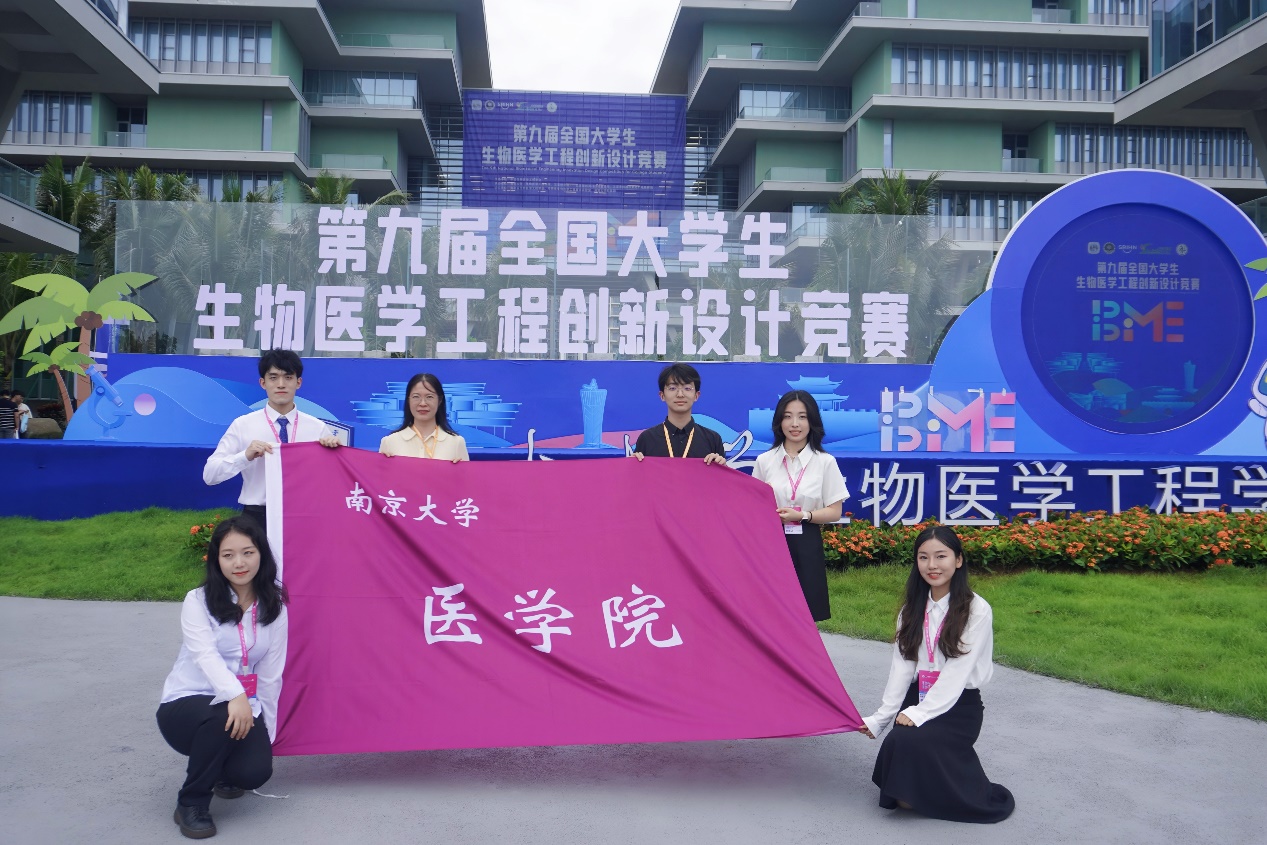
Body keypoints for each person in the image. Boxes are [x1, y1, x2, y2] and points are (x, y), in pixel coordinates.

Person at [858, 525, 1015, 824]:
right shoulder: (911, 609)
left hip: (959, 704)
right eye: (923, 557)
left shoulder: (976, 609)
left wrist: (921, 713)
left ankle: (962, 791)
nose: (932, 565)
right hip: (918, 697)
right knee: (899, 755)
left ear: (958, 560)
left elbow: (958, 672)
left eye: (941, 556)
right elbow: (902, 667)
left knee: (913, 745)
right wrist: (881, 718)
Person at [157, 516, 289, 839]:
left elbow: (271, 674)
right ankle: (191, 802)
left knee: (254, 772)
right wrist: (236, 695)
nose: (239, 563)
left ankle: (218, 767)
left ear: (261, 554)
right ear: (217, 560)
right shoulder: (198, 601)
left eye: (248, 552)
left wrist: (267, 733)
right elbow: (205, 656)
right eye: (228, 555)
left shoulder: (274, 606)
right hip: (187, 704)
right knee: (221, 716)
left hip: (243, 707)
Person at [203, 349, 340, 529]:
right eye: (273, 378)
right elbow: (210, 475)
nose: (281, 384)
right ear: (263, 383)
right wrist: (245, 456)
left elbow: (335, 482)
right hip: (257, 517)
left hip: (304, 516)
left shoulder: (317, 428)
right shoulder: (243, 425)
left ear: (298, 382)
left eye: (288, 377)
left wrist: (333, 455)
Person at [751, 389, 847, 621]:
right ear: (779, 422)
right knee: (770, 610)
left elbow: (835, 511)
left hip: (806, 540)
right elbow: (753, 507)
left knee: (806, 612)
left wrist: (803, 515)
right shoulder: (765, 461)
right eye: (788, 416)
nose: (795, 424)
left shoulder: (825, 462)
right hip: (771, 541)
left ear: (812, 421)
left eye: (802, 417)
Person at [633, 363, 727, 464]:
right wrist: (632, 463)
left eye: (687, 388)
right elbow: (638, 473)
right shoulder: (647, 439)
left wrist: (722, 466)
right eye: (672, 388)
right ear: (662, 395)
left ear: (696, 395)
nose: (680, 394)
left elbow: (721, 474)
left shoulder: (712, 439)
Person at [378, 372, 469, 462]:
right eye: (416, 397)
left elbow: (466, 472)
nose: (422, 403)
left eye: (429, 397)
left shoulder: (456, 442)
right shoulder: (390, 442)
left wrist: (459, 468)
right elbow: (379, 472)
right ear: (408, 400)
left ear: (440, 400)